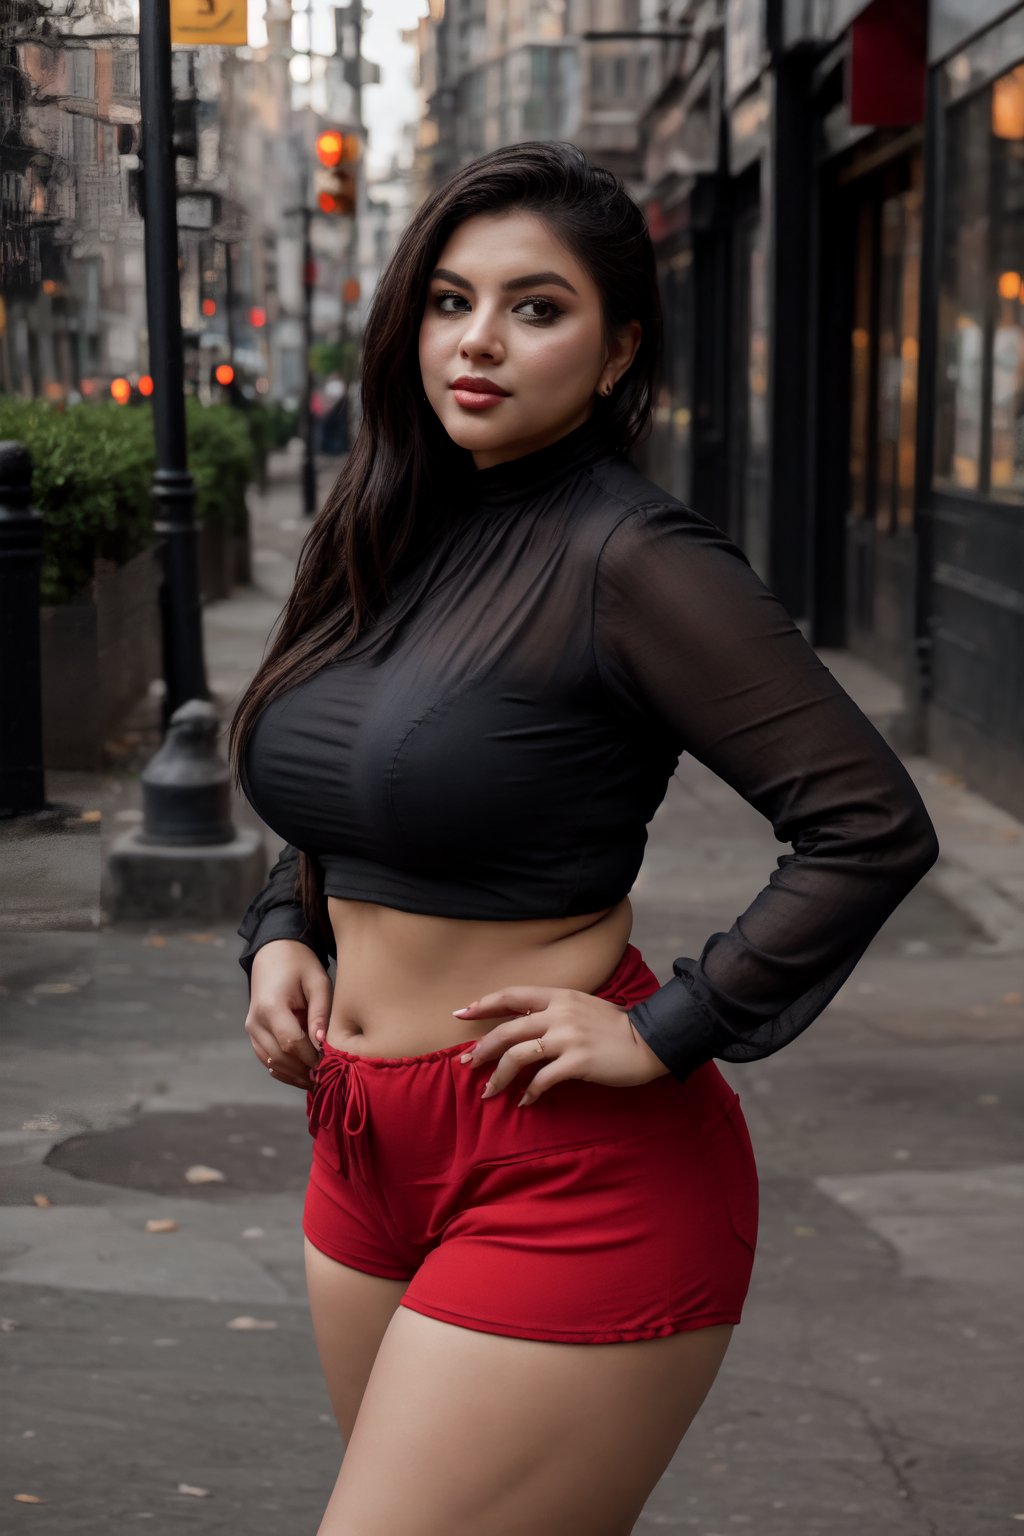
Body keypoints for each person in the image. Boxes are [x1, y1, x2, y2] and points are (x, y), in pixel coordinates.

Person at [228, 142, 939, 1536]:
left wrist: (676, 1022)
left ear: (618, 352)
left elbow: (866, 822)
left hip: (567, 1162)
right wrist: (282, 934)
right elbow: (338, 794)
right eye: (448, 299)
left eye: (534, 307)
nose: (476, 340)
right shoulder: (380, 523)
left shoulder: (635, 558)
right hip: (360, 1140)